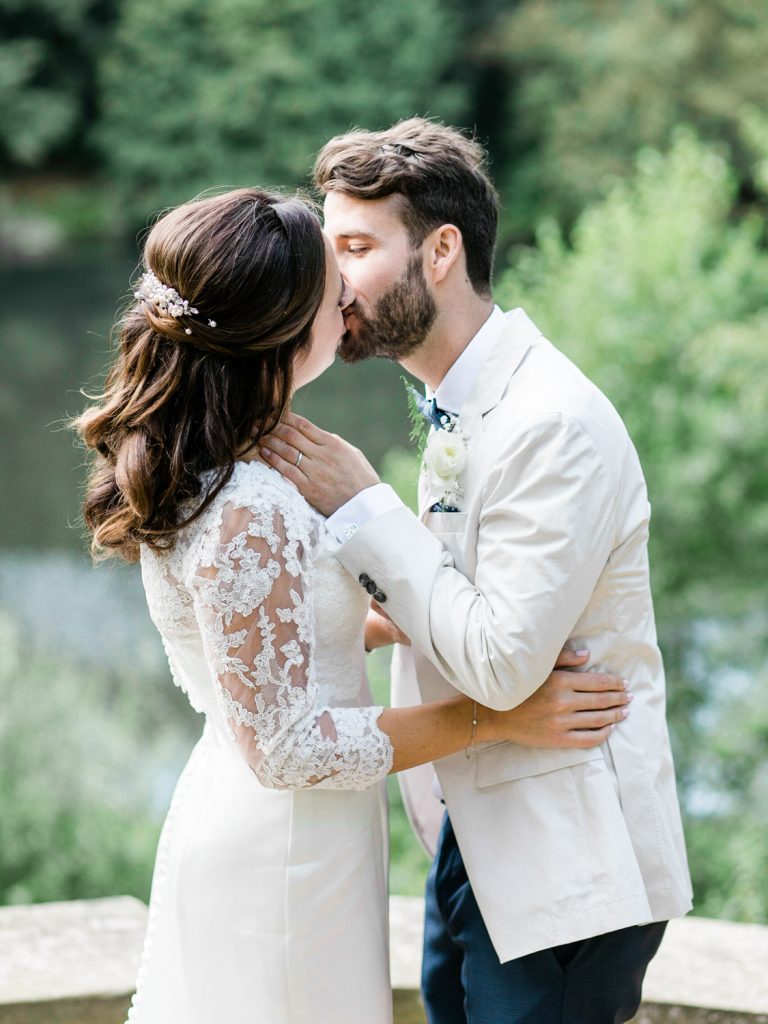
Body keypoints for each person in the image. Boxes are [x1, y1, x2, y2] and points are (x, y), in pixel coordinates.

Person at [75, 187, 631, 1024]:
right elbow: (290, 746)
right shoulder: (250, 506)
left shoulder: (216, 458)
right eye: (330, 288)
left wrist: (394, 621)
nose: (347, 297)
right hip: (286, 847)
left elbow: (267, 637)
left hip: (285, 823)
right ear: (284, 330)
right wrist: (498, 718)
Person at [261, 119, 693, 1024]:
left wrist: (366, 507)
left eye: (357, 249)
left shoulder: (549, 422)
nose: (334, 280)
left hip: (567, 859)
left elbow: (501, 662)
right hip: (474, 831)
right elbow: (455, 602)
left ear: (441, 251)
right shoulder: (462, 401)